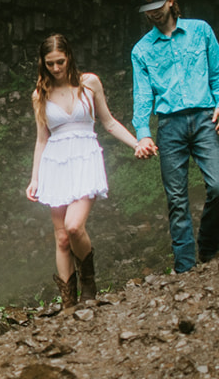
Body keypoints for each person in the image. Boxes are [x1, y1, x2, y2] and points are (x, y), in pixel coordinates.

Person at [27, 33, 143, 309]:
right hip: (55, 164)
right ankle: (69, 303)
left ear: (69, 57)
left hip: (85, 159)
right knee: (62, 237)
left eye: (60, 62)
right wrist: (34, 179)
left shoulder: (89, 84)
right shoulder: (39, 95)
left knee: (74, 226)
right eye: (50, 64)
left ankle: (88, 285)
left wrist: (136, 143)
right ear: (43, 64)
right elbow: (42, 139)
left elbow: (109, 122)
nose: (56, 69)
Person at [130, 0, 219, 273]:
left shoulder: (200, 31)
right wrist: (143, 134)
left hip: (204, 118)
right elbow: (142, 96)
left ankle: (209, 247)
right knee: (177, 200)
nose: (153, 14)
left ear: (170, 1)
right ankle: (185, 268)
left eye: (157, 7)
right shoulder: (141, 51)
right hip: (170, 126)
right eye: (148, 10)